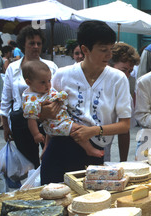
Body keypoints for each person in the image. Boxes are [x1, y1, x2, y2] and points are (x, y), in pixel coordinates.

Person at [40, 20, 131, 184]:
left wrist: (93, 131)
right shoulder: (62, 75)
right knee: (53, 201)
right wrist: (46, 144)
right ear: (85, 49)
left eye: (111, 49)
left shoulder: (118, 79)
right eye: (103, 50)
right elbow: (52, 116)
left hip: (93, 152)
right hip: (59, 149)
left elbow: (125, 125)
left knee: (90, 202)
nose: (109, 55)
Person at [0, 26, 58, 169]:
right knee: (29, 162)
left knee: (51, 157)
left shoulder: (51, 66)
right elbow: (6, 99)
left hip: (47, 118)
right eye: (31, 43)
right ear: (23, 45)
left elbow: (56, 93)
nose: (36, 46)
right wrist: (6, 127)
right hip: (21, 120)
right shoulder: (13, 68)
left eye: (39, 43)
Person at [21, 60, 104, 159]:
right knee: (77, 130)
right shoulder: (30, 101)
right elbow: (31, 119)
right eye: (43, 82)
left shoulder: (44, 90)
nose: (48, 85)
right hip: (57, 124)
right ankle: (89, 149)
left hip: (58, 121)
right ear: (28, 82)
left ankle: (46, 149)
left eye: (49, 80)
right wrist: (36, 134)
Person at [108, 42, 140, 161]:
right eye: (123, 70)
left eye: (130, 72)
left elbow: (124, 131)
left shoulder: (126, 95)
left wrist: (123, 162)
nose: (125, 76)